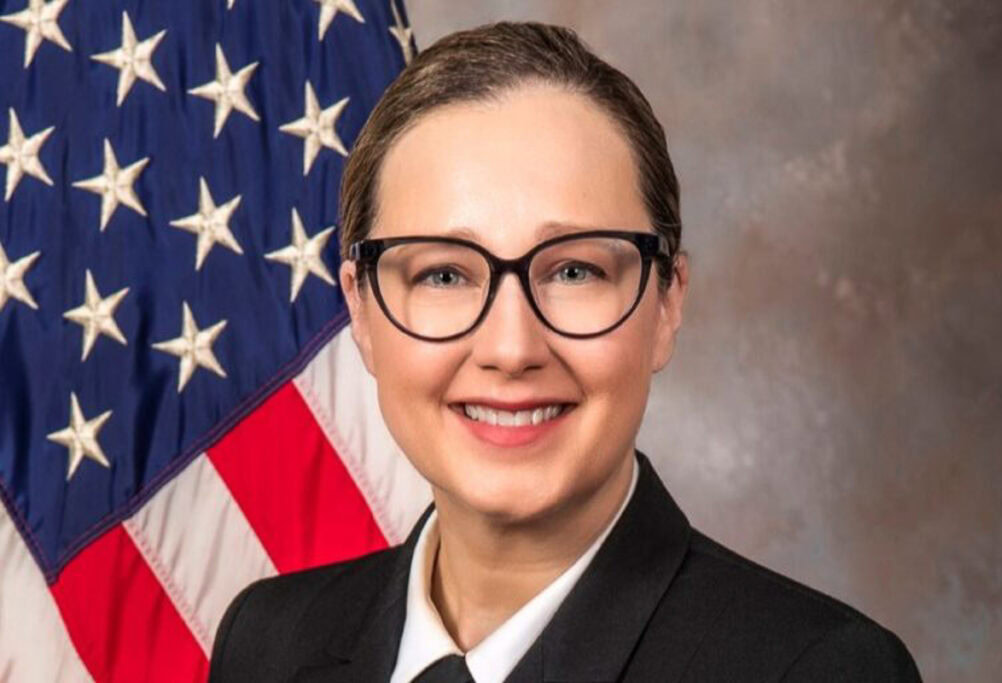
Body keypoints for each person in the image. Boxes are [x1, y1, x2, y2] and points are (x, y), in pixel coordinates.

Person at [209, 21, 921, 682]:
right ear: (361, 311)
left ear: (667, 303)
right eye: (445, 274)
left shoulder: (819, 669)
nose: (511, 348)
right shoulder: (268, 644)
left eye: (575, 270)